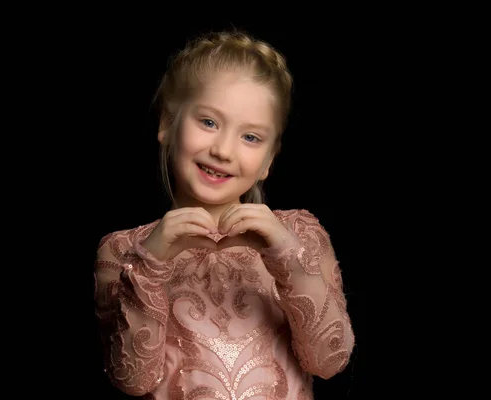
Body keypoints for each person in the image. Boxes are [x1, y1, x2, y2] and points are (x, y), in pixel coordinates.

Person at [94, 30, 355, 399]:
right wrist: (149, 264)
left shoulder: (300, 233)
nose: (223, 150)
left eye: (251, 137)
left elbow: (329, 361)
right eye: (209, 122)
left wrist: (286, 256)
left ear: (268, 160)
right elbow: (131, 378)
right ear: (167, 124)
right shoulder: (123, 251)